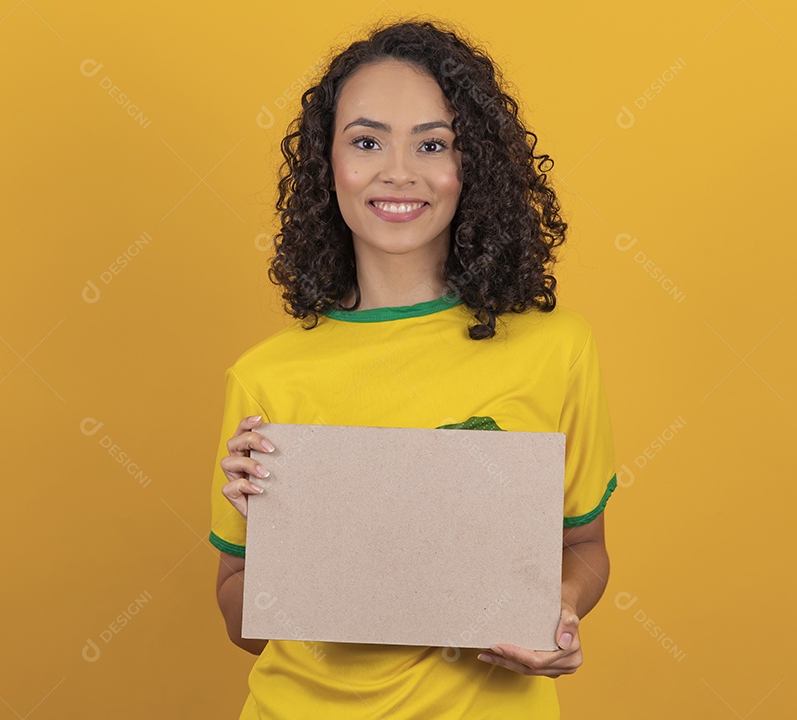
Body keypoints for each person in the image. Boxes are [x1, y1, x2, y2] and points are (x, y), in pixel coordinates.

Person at [209, 17, 618, 719]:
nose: (398, 172)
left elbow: (583, 545)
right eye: (366, 142)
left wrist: (561, 611)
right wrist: (281, 543)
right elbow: (241, 615)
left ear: (475, 167)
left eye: (433, 145)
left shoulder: (557, 349)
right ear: (327, 164)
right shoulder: (267, 375)